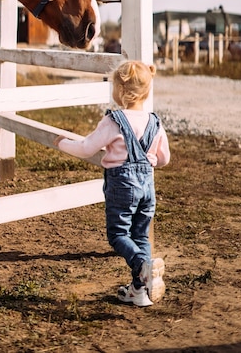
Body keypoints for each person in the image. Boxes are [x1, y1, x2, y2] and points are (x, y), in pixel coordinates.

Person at [53, 60, 170, 307]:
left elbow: (86, 148)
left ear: (120, 90)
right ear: (146, 91)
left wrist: (62, 142)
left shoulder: (114, 121)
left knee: (118, 234)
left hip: (122, 186)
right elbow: (164, 159)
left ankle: (142, 267)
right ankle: (139, 292)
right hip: (148, 186)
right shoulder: (155, 123)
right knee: (140, 236)